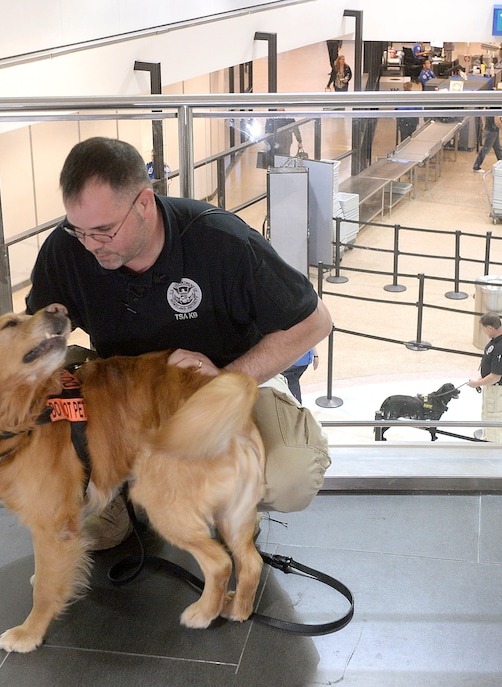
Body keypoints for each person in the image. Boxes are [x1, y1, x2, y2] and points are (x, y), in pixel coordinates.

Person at [24, 137, 333, 545]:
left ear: (144, 204)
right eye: (78, 230)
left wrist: (225, 378)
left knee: (290, 474)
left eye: (104, 231)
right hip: (129, 394)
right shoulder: (68, 249)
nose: (90, 245)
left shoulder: (219, 240)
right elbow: (36, 337)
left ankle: (231, 506)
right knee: (47, 448)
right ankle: (118, 492)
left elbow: (314, 322)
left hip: (229, 379)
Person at [467, 312, 502, 443]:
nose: (484, 332)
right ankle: (487, 441)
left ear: (489, 328)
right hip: (493, 388)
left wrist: (477, 383)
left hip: (497, 389)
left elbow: (496, 376)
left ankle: (494, 447)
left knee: (494, 418)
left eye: (484, 329)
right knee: (488, 415)